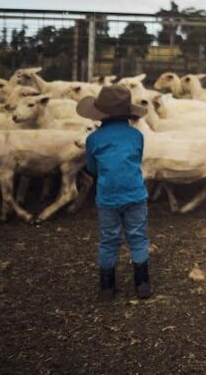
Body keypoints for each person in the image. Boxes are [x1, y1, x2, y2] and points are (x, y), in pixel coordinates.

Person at [76, 84, 152, 300]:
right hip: (136, 194)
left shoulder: (93, 139)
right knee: (138, 238)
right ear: (128, 112)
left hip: (108, 197)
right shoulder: (137, 136)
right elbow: (135, 160)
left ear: (100, 114)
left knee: (109, 240)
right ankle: (142, 285)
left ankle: (107, 288)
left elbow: (92, 169)